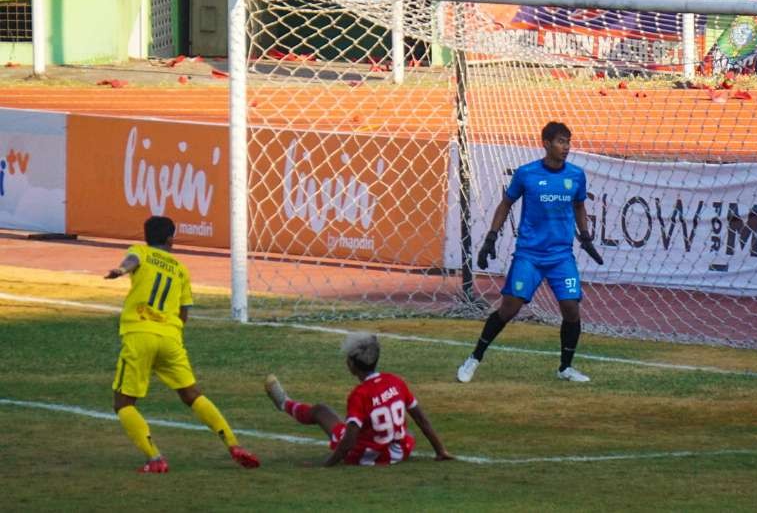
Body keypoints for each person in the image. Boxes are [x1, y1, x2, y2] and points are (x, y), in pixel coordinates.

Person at [105, 216, 260, 473]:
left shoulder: (140, 252)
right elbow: (184, 313)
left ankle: (155, 459)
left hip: (140, 335)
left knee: (123, 404)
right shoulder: (180, 269)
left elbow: (132, 262)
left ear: (147, 238)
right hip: (170, 338)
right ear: (170, 239)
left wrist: (121, 271)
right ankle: (234, 444)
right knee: (192, 395)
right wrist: (169, 336)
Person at [456, 121, 604, 384]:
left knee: (571, 309)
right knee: (509, 309)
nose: (566, 147)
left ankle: (565, 368)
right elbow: (506, 204)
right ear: (546, 143)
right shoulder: (526, 174)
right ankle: (474, 358)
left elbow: (580, 206)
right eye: (560, 141)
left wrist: (585, 236)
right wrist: (491, 238)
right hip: (529, 256)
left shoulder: (576, 176)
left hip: (561, 257)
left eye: (568, 142)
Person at [264, 332, 453, 467]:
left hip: (369, 456)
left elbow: (349, 439)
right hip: (401, 450)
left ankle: (285, 403)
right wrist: (440, 450)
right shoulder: (395, 381)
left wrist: (326, 465)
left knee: (321, 411)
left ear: (352, 365)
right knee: (404, 431)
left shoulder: (360, 394)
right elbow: (421, 419)